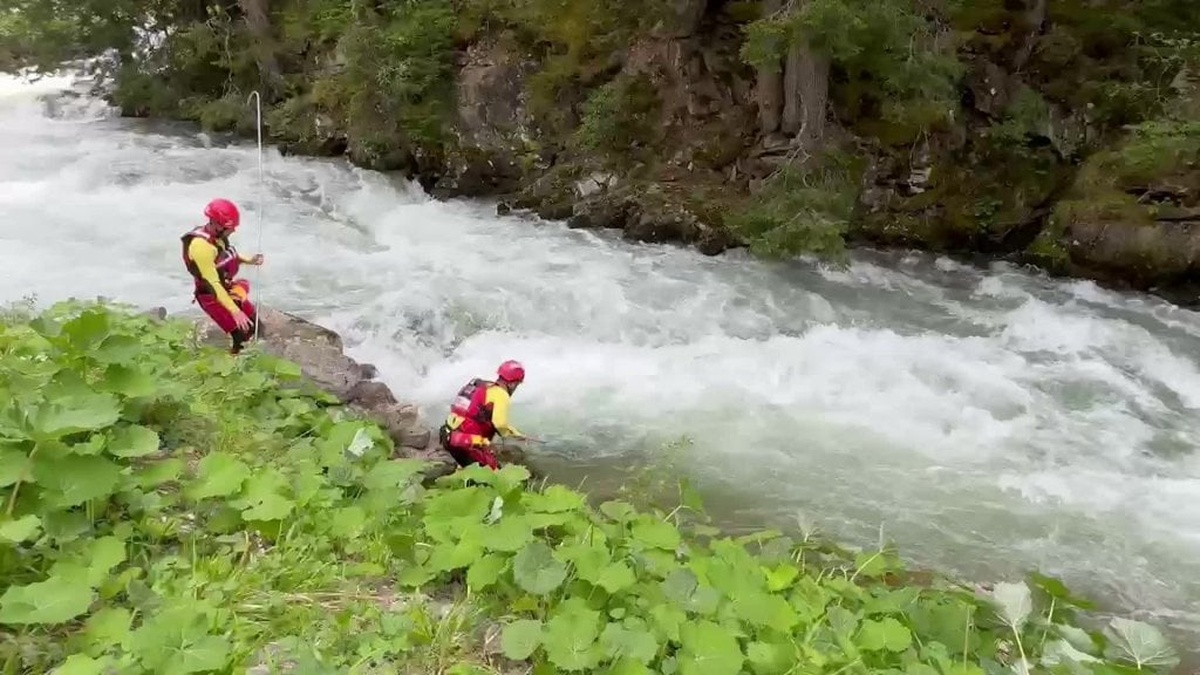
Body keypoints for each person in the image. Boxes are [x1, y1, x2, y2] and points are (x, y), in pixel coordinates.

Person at [182, 198, 264, 354]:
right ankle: (233, 360)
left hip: (226, 287)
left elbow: (226, 257)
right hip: (210, 295)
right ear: (216, 224)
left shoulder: (217, 237)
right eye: (230, 228)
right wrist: (235, 311)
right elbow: (213, 283)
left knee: (255, 326)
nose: (233, 231)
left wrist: (250, 260)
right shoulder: (201, 247)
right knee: (240, 336)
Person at [439, 360, 530, 470]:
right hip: (468, 442)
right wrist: (509, 436)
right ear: (512, 384)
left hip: (448, 437)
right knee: (495, 474)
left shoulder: (480, 386)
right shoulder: (501, 394)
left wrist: (516, 434)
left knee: (468, 466)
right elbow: (500, 424)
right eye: (517, 384)